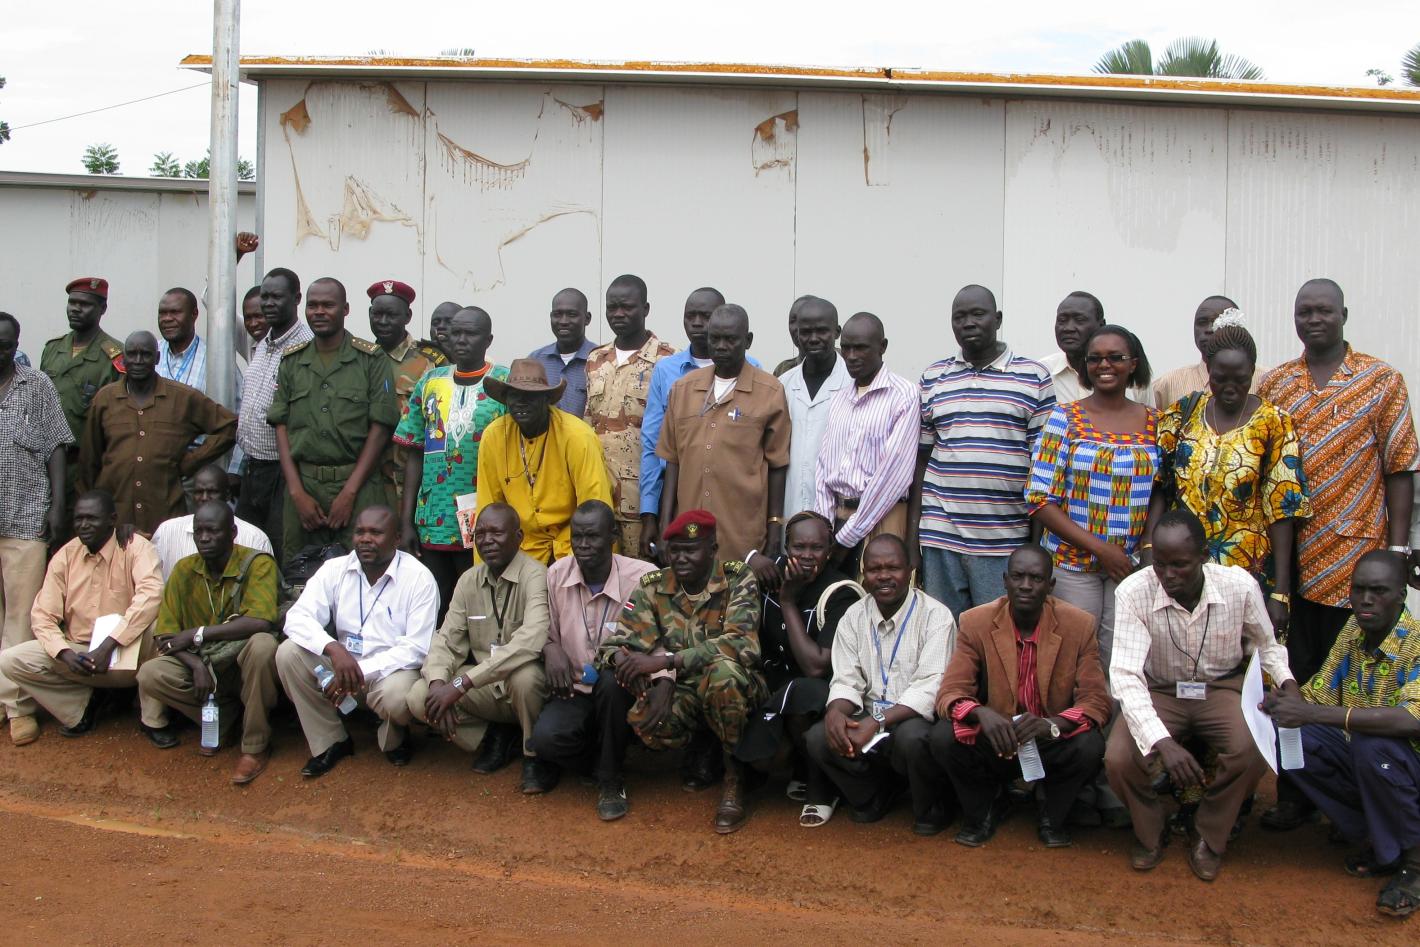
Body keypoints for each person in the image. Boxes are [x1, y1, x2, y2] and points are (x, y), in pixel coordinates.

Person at [1106, 509, 1297, 881]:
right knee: (1118, 757)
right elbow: (1126, 676)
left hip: (1220, 687)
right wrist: (1162, 742)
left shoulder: (1239, 586)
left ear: (1204, 556)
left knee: (1252, 749)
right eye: (1160, 565)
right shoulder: (1133, 592)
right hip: (1159, 689)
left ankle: (1209, 833)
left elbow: (1267, 646)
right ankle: (1151, 831)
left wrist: (1287, 682)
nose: (1168, 575)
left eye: (1180, 565)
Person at [1258, 278, 1418, 687]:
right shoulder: (1276, 384)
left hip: (1356, 553)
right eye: (1304, 312)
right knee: (1297, 669)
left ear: (1343, 315)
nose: (1314, 319)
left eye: (1324, 311)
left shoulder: (1381, 379)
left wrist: (1398, 550)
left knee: (1353, 672)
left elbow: (1400, 468)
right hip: (1292, 558)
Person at [1262, 551, 1420, 917]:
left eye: (1378, 591)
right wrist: (1283, 703)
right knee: (1288, 734)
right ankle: (1381, 840)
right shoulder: (1354, 629)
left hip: (1406, 766)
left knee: (1374, 744)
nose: (1365, 600)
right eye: (1358, 589)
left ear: (1401, 595)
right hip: (1373, 765)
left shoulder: (1415, 642)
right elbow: (1319, 693)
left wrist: (1311, 713)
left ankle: (1415, 861)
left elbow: (1413, 720)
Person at [926, 544, 1110, 848]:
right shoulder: (976, 622)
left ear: (1051, 585)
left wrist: (1052, 725)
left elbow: (1096, 702)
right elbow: (950, 692)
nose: (1026, 585)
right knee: (943, 736)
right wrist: (981, 713)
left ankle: (1051, 812)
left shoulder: (1078, 625)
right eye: (1018, 576)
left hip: (1049, 738)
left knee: (1090, 744)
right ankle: (986, 807)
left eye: (1036, 579)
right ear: (1005, 580)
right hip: (997, 739)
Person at [596, 510, 767, 832]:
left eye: (691, 550)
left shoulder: (737, 578)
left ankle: (736, 775)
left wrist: (666, 663)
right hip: (684, 689)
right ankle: (704, 746)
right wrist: (635, 668)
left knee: (722, 675)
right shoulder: (654, 587)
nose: (681, 558)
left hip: (737, 687)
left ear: (713, 549)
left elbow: (741, 645)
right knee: (649, 720)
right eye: (675, 551)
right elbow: (615, 645)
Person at [911, 284, 1055, 617]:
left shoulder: (1033, 377)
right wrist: (914, 538)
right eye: (959, 317)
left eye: (978, 314)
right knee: (944, 633)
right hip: (941, 535)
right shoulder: (934, 377)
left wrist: (1035, 545)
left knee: (997, 635)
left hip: (1005, 539)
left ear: (998, 319)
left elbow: (1044, 468)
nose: (968, 323)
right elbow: (921, 461)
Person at [1149, 315, 1310, 605]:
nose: (1230, 387)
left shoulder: (1273, 423)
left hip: (1247, 570)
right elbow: (1161, 485)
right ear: (1208, 370)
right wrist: (1150, 548)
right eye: (1220, 379)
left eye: (1240, 379)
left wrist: (1281, 591)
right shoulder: (1183, 413)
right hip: (1181, 570)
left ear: (1253, 372)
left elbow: (1282, 509)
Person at [1025, 324, 1157, 669]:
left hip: (1129, 567)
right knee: (1072, 659)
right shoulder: (1065, 418)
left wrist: (1142, 550)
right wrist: (1101, 549)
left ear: (1133, 364)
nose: (1104, 365)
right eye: (1095, 359)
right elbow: (1039, 498)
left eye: (1115, 357)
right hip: (1072, 564)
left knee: (1121, 661)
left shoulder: (1155, 422)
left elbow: (1162, 491)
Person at [802, 535, 955, 830]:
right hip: (870, 718)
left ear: (910, 570)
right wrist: (835, 711)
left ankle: (931, 808)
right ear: (863, 573)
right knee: (819, 737)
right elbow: (846, 679)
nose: (883, 576)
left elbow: (930, 686)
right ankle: (874, 796)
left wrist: (877, 721)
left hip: (912, 718)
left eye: (892, 568)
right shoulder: (853, 616)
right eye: (874, 569)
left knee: (913, 738)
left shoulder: (936, 616)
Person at [276, 506, 438, 777]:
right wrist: (333, 648)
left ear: (397, 539)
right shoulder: (335, 569)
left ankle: (395, 736)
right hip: (343, 668)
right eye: (360, 532)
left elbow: (417, 648)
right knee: (288, 653)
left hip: (389, 673)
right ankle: (331, 741)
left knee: (397, 696)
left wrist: (359, 669)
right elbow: (296, 617)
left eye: (375, 533)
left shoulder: (418, 578)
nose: (365, 539)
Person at [409, 503, 554, 793]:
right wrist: (439, 685)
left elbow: (531, 640)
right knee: (420, 696)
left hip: (521, 688)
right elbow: (446, 640)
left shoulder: (536, 576)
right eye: (481, 534)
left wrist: (462, 683)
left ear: (519, 537)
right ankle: (494, 736)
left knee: (526, 677)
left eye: (497, 533)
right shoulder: (468, 581)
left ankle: (535, 756)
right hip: (485, 688)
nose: (487, 541)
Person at [528, 500, 661, 814]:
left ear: (613, 536)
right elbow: (544, 629)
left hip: (625, 691)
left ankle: (610, 780)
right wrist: (550, 648)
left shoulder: (643, 577)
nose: (583, 545)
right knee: (546, 740)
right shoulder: (556, 575)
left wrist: (664, 680)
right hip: (574, 688)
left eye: (592, 536)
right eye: (577, 537)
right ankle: (600, 758)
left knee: (613, 680)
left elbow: (661, 640)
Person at [0, 490, 163, 744]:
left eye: (92, 518)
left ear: (112, 520)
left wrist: (109, 645)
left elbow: (152, 595)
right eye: (79, 519)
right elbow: (42, 615)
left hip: (127, 653)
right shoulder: (66, 555)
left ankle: (152, 720)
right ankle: (82, 708)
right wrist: (65, 653)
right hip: (80, 657)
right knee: (11, 660)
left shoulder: (135, 547)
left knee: (157, 628)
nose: (84, 525)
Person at [136, 501, 280, 784]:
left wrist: (197, 633)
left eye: (212, 531)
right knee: (151, 674)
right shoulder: (184, 569)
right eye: (198, 531)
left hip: (243, 665)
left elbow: (260, 621)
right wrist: (195, 664)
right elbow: (165, 634)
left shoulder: (257, 563)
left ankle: (255, 745)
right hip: (205, 668)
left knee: (263, 645)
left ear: (232, 533)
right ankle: (223, 719)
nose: (204, 538)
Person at [269, 277, 399, 565]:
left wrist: (349, 493)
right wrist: (296, 492)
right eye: (312, 305)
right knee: (300, 573)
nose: (319, 311)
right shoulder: (292, 360)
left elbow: (381, 427)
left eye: (328, 305)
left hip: (358, 484)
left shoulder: (370, 359)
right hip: (304, 485)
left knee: (364, 570)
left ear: (345, 309)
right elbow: (280, 426)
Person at [657, 304, 791, 578]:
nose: (721, 346)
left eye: (730, 339)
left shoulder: (769, 391)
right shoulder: (683, 389)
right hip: (689, 536)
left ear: (748, 340)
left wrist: (775, 526)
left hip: (743, 536)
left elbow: (778, 464)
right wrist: (664, 527)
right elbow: (672, 462)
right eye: (715, 338)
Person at [734, 511, 861, 800]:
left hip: (817, 695)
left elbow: (816, 666)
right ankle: (737, 771)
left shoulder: (841, 592)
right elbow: (728, 567)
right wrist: (750, 557)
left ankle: (815, 775)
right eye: (798, 547)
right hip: (772, 683)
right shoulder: (771, 573)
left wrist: (788, 601)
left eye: (816, 548)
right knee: (763, 759)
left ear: (830, 551)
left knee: (804, 691)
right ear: (786, 548)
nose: (806, 555)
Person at [394, 306, 508, 610]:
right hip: (433, 516)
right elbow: (415, 452)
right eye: (455, 333)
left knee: (480, 601)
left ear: (488, 340)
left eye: (470, 333)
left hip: (484, 517)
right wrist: (406, 521)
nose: (460, 340)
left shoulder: (503, 382)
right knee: (435, 602)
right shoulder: (429, 382)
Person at [639, 287, 762, 559]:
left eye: (705, 316)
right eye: (690, 316)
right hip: (680, 496)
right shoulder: (667, 371)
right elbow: (653, 446)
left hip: (735, 502)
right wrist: (651, 514)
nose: (697, 323)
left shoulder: (753, 369)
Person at [79, 332, 237, 534]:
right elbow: (89, 462)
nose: (138, 360)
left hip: (165, 518)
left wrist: (191, 461)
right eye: (132, 354)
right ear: (123, 358)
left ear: (157, 358)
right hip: (117, 520)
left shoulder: (181, 398)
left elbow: (229, 426)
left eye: (145, 354)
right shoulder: (105, 399)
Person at [0, 313, 74, 744]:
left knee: (21, 616)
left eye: (6, 344)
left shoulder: (37, 385)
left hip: (25, 517)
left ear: (17, 344)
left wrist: (57, 506)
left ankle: (18, 707)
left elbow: (57, 446)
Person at [475, 359, 612, 564]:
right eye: (514, 395)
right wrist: (483, 573)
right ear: (505, 399)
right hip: (521, 549)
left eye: (530, 396)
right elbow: (488, 509)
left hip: (574, 547)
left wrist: (593, 569)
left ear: (547, 398)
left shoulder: (577, 436)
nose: (521, 402)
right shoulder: (493, 436)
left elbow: (596, 508)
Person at [813, 312, 918, 567]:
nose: (851, 356)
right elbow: (824, 466)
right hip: (837, 519)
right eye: (846, 348)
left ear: (882, 347)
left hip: (883, 517)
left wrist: (846, 538)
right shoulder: (839, 398)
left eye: (860, 348)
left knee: (879, 589)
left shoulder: (904, 395)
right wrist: (824, 526)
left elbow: (893, 475)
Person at [583, 274, 676, 556]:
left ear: (645, 309)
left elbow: (671, 439)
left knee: (641, 576)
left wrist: (657, 512)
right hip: (598, 493)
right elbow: (587, 426)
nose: (618, 314)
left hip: (642, 501)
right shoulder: (596, 359)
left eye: (627, 307)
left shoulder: (668, 360)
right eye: (612, 307)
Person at [235, 268, 313, 565]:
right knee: (246, 546)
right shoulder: (262, 342)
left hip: (285, 470)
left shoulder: (306, 345)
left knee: (279, 551)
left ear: (296, 299)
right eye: (265, 297)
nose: (268, 303)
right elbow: (215, 305)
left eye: (276, 297)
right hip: (252, 467)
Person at [40, 276, 125, 541]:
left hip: (85, 466)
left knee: (80, 540)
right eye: (72, 303)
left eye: (85, 304)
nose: (76, 309)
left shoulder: (114, 355)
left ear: (102, 309)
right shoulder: (53, 349)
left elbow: (117, 420)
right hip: (46, 466)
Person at [367, 279, 447, 501]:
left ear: (408, 316)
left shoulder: (430, 361)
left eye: (391, 315)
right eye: (377, 314)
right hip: (369, 476)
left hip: (411, 476)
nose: (383, 321)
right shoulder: (360, 358)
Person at [780, 297, 849, 521]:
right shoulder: (783, 385)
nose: (813, 338)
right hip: (790, 510)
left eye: (822, 331)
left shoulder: (853, 384)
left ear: (837, 332)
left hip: (840, 516)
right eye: (806, 332)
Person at [150, 463, 273, 578]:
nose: (204, 498)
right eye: (199, 492)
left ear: (228, 495)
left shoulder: (254, 538)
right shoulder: (166, 531)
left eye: (212, 492)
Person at [1152, 295, 1245, 411]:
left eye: (1218, 322)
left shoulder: (1263, 382)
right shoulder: (1166, 385)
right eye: (1202, 322)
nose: (1209, 329)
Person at [528, 287, 595, 417]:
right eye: (557, 314)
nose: (563, 321)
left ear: (587, 318)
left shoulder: (600, 360)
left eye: (572, 314)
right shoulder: (535, 360)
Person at [773, 295, 813, 377]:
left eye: (804, 320)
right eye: (793, 321)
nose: (798, 328)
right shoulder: (782, 370)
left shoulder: (841, 363)